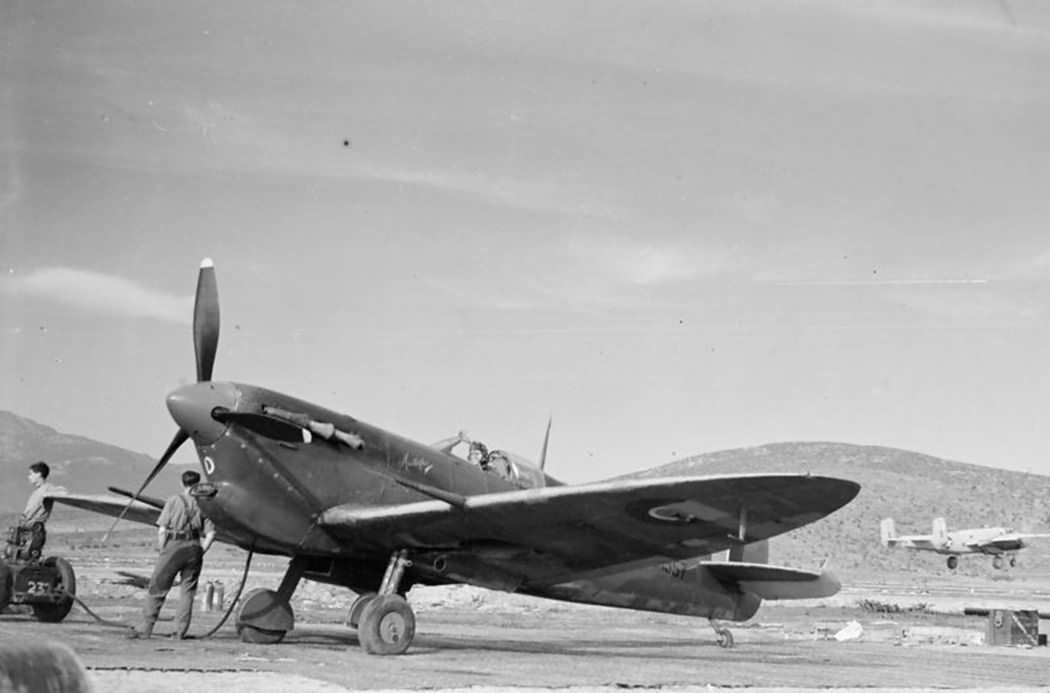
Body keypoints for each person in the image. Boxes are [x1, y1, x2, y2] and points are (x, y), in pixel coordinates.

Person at [129, 470, 216, 640]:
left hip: (174, 546)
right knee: (188, 592)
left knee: (158, 587)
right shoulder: (205, 504)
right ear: (198, 484)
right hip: (194, 546)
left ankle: (146, 628)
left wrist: (163, 551)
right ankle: (179, 632)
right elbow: (211, 534)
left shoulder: (173, 500)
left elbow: (162, 529)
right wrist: (201, 550)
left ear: (182, 483)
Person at [17, 461, 60, 560]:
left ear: (39, 474)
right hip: (25, 531)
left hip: (35, 530)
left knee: (29, 558)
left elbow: (62, 492)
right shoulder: (36, 492)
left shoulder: (47, 489)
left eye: (31, 474)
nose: (29, 477)